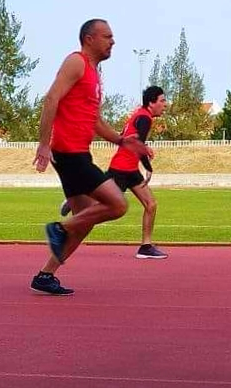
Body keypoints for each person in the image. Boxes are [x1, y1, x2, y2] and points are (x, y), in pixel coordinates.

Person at [30, 19, 151, 295]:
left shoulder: (95, 74)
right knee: (118, 205)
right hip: (69, 153)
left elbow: (95, 121)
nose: (113, 41)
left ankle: (45, 276)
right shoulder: (76, 62)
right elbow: (51, 99)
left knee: (85, 220)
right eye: (107, 36)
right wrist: (43, 144)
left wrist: (122, 140)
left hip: (78, 152)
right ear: (89, 38)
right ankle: (59, 227)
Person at [107, 85, 168, 259]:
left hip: (130, 169)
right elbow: (137, 144)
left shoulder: (140, 115)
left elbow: (132, 140)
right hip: (120, 169)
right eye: (162, 101)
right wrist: (148, 168)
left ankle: (146, 247)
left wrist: (144, 149)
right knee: (105, 208)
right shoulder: (144, 118)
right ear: (151, 103)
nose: (165, 104)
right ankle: (77, 200)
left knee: (151, 204)